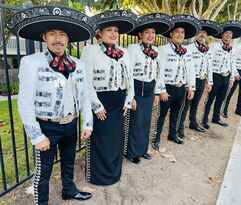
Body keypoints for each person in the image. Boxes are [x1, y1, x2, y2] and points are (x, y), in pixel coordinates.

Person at [7, 6, 98, 204]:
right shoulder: (31, 62)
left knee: (68, 161)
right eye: (52, 34)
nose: (58, 39)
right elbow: (24, 103)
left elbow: (84, 96)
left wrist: (87, 123)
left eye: (62, 34)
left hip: (70, 123)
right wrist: (36, 136)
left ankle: (69, 190)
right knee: (44, 171)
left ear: (68, 39)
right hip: (45, 127)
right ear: (44, 37)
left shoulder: (77, 64)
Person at [81, 10, 137, 185]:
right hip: (101, 101)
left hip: (119, 101)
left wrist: (129, 99)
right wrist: (96, 106)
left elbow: (130, 78)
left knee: (115, 138)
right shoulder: (90, 50)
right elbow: (86, 81)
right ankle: (98, 175)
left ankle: (114, 173)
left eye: (116, 31)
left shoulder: (124, 52)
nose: (114, 34)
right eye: (109, 30)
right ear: (100, 34)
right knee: (100, 139)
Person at [125, 13, 172, 163]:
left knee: (146, 122)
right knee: (135, 122)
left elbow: (159, 73)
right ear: (140, 34)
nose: (151, 35)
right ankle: (132, 152)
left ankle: (143, 149)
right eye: (147, 32)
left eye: (153, 33)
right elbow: (128, 73)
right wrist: (130, 96)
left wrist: (157, 92)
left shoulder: (157, 51)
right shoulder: (133, 48)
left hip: (150, 90)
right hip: (137, 89)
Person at [152, 14, 201, 150]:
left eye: (182, 33)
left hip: (181, 88)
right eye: (177, 32)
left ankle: (172, 134)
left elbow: (191, 70)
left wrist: (191, 87)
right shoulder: (163, 50)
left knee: (176, 113)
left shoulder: (187, 52)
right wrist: (161, 90)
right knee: (161, 114)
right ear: (171, 34)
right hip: (168, 88)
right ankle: (156, 137)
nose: (180, 35)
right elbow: (159, 71)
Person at [178, 20, 222, 136]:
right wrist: (188, 84)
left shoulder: (208, 50)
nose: (203, 34)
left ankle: (193, 122)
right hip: (191, 81)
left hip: (202, 80)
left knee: (195, 104)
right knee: (185, 105)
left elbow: (210, 66)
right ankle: (180, 126)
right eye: (200, 32)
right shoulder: (188, 48)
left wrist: (210, 82)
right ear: (196, 34)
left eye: (205, 33)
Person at [202, 21, 241, 129]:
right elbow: (209, 63)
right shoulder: (213, 46)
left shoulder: (233, 49)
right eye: (226, 33)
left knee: (220, 99)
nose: (228, 35)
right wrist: (210, 80)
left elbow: (232, 64)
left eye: (230, 34)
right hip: (216, 76)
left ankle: (216, 118)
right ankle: (204, 120)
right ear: (222, 35)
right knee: (210, 99)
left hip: (226, 77)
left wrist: (231, 79)